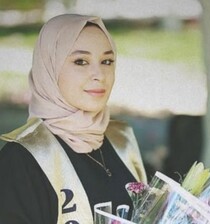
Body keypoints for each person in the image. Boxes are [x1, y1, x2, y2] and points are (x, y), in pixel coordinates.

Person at [0, 14, 147, 224]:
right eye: (81, 61)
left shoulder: (122, 139)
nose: (99, 74)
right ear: (49, 68)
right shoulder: (21, 161)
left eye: (107, 61)